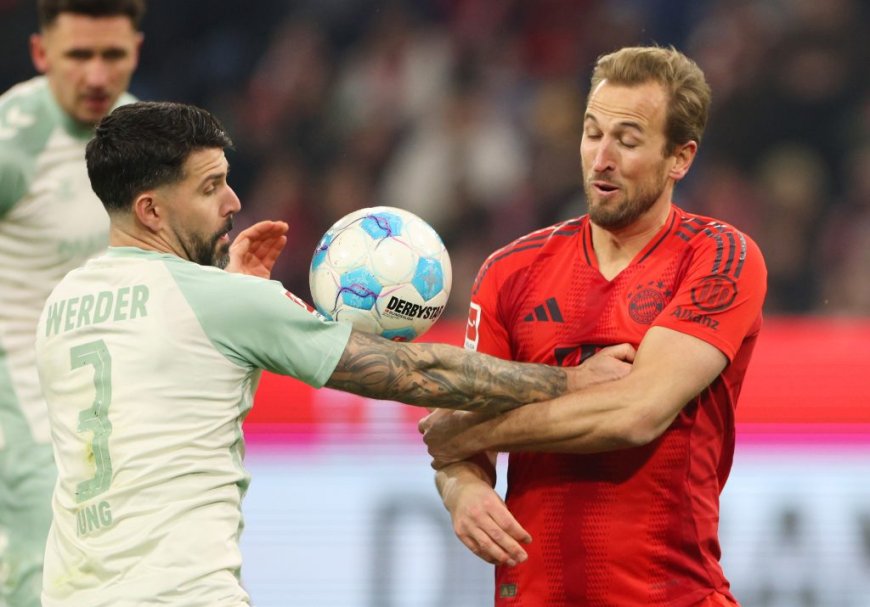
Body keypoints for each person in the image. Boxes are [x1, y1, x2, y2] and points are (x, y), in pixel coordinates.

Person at [32, 100, 633, 607]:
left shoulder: (63, 304)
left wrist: (237, 297)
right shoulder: (215, 302)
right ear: (151, 210)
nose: (233, 202)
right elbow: (418, 372)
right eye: (211, 187)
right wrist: (572, 383)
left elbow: (169, 381)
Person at [419, 46, 767, 607]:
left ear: (680, 158)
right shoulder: (510, 271)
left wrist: (469, 435)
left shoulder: (721, 256)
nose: (600, 157)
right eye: (591, 133)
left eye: (627, 141)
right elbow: (461, 429)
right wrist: (462, 487)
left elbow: (636, 412)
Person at [0, 2, 145, 605]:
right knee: (42, 560)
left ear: (137, 48)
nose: (95, 76)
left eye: (112, 55)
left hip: (119, 399)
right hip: (22, 398)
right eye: (77, 55)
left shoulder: (153, 141)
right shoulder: (10, 143)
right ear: (40, 54)